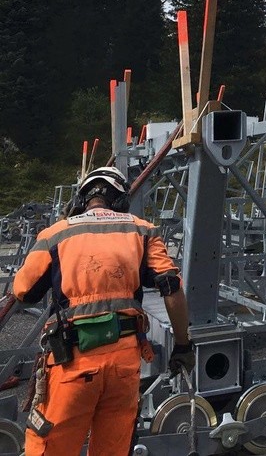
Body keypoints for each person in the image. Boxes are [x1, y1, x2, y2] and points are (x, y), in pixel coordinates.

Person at [12, 166, 195, 456]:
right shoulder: (143, 230)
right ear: (121, 200)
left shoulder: (56, 234)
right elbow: (171, 287)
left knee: (51, 446)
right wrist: (183, 346)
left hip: (71, 363)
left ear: (82, 199)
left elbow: (23, 290)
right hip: (124, 363)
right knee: (113, 449)